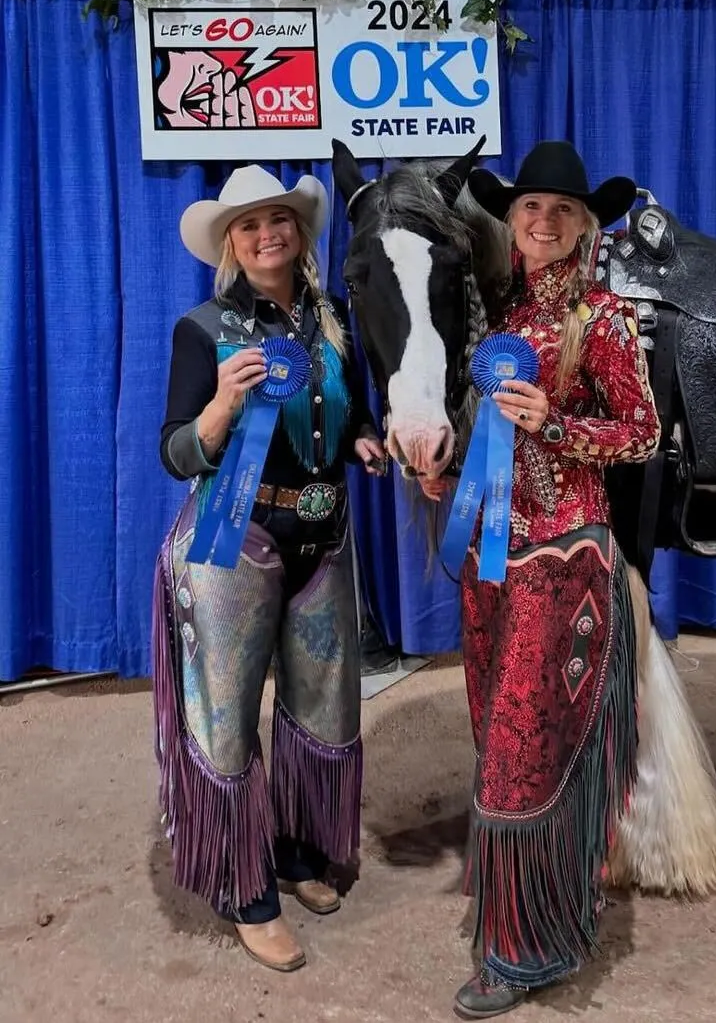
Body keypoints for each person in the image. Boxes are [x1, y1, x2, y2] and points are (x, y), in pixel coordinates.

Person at [419, 140, 661, 1019]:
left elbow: (641, 433)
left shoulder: (600, 321)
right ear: (510, 223)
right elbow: (491, 449)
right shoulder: (500, 326)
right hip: (490, 555)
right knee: (497, 734)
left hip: (565, 560)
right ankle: (547, 901)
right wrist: (445, 473)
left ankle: (523, 945)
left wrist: (555, 423)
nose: (543, 221)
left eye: (562, 210)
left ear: (583, 226)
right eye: (529, 208)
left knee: (525, 751)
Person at [152, 164, 386, 972]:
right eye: (247, 226)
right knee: (225, 719)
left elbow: (344, 411)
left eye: (277, 219)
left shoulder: (330, 318)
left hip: (322, 536)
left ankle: (292, 848)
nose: (266, 235)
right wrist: (219, 407)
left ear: (298, 229)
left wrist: (359, 441)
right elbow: (176, 451)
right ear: (230, 244)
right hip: (232, 543)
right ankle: (243, 883)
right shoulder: (203, 329)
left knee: (321, 707)